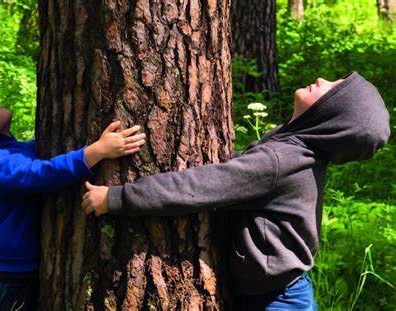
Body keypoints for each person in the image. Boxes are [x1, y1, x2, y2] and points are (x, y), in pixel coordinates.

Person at [81, 71, 390, 310]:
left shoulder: (280, 160)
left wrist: (115, 197)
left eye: (332, 89)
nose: (322, 79)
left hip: (278, 301)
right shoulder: (292, 149)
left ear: (330, 117)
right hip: (273, 292)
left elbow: (196, 186)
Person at [0, 95, 146, 310]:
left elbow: (52, 157)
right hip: (0, 282)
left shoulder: (9, 153)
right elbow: (42, 174)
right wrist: (95, 152)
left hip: (9, 277)